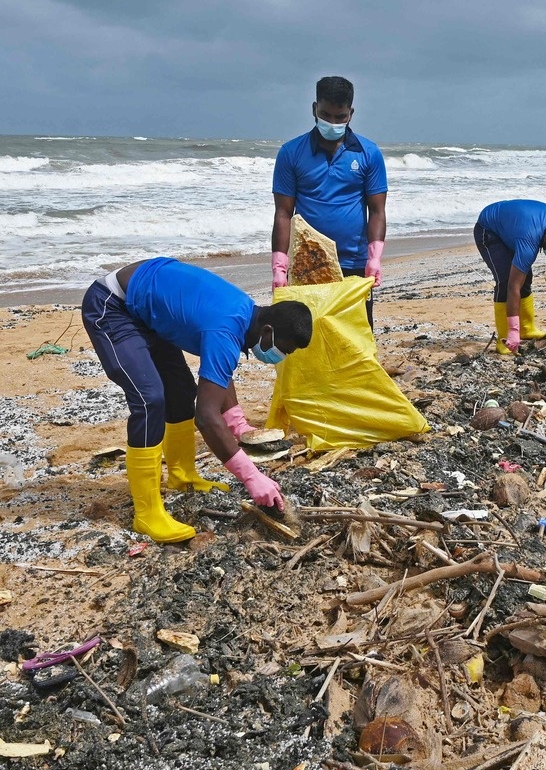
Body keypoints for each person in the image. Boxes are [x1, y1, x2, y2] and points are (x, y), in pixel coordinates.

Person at [81, 258, 313, 543]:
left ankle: (182, 476)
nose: (281, 356)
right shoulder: (225, 329)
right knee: (149, 399)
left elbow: (218, 371)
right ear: (267, 332)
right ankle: (147, 513)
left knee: (179, 392)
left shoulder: (246, 314)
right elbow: (206, 416)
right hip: (112, 304)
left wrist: (238, 424)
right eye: (284, 350)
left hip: (149, 310)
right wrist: (252, 477)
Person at [271, 76, 388, 327]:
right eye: (325, 115)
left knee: (356, 333)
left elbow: (377, 211)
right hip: (307, 261)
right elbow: (283, 213)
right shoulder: (291, 153)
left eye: (340, 117)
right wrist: (280, 267)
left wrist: (374, 258)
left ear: (351, 114)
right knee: (310, 336)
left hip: (354, 262)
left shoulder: (369, 153)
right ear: (314, 109)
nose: (332, 122)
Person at [474, 199, 546, 354]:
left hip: (514, 226)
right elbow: (513, 287)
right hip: (489, 230)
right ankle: (505, 337)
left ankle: (527, 329)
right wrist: (513, 330)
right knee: (505, 281)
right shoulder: (528, 242)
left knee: (526, 278)